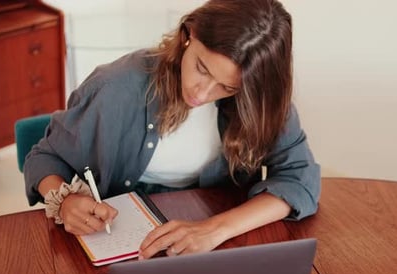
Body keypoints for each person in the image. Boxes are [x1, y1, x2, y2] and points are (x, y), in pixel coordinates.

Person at [24, 0, 321, 260]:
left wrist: (217, 229)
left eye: (227, 87)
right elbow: (44, 158)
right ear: (187, 36)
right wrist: (65, 201)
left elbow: (300, 179)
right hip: (122, 231)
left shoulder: (260, 101)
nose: (202, 94)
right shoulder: (115, 86)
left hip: (219, 230)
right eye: (202, 69)